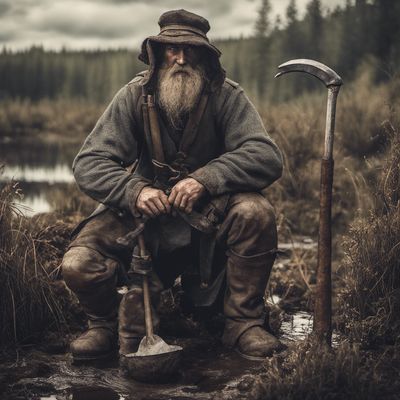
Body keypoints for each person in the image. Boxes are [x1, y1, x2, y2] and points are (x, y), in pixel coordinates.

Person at [61, 9, 284, 363]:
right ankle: (104, 325)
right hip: (146, 218)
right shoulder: (133, 95)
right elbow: (89, 163)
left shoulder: (227, 96)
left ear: (204, 55)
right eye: (171, 49)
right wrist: (135, 191)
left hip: (206, 221)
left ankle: (243, 323)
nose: (180, 59)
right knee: (78, 262)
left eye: (190, 50)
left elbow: (266, 157)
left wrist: (205, 179)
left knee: (255, 212)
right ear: (157, 53)